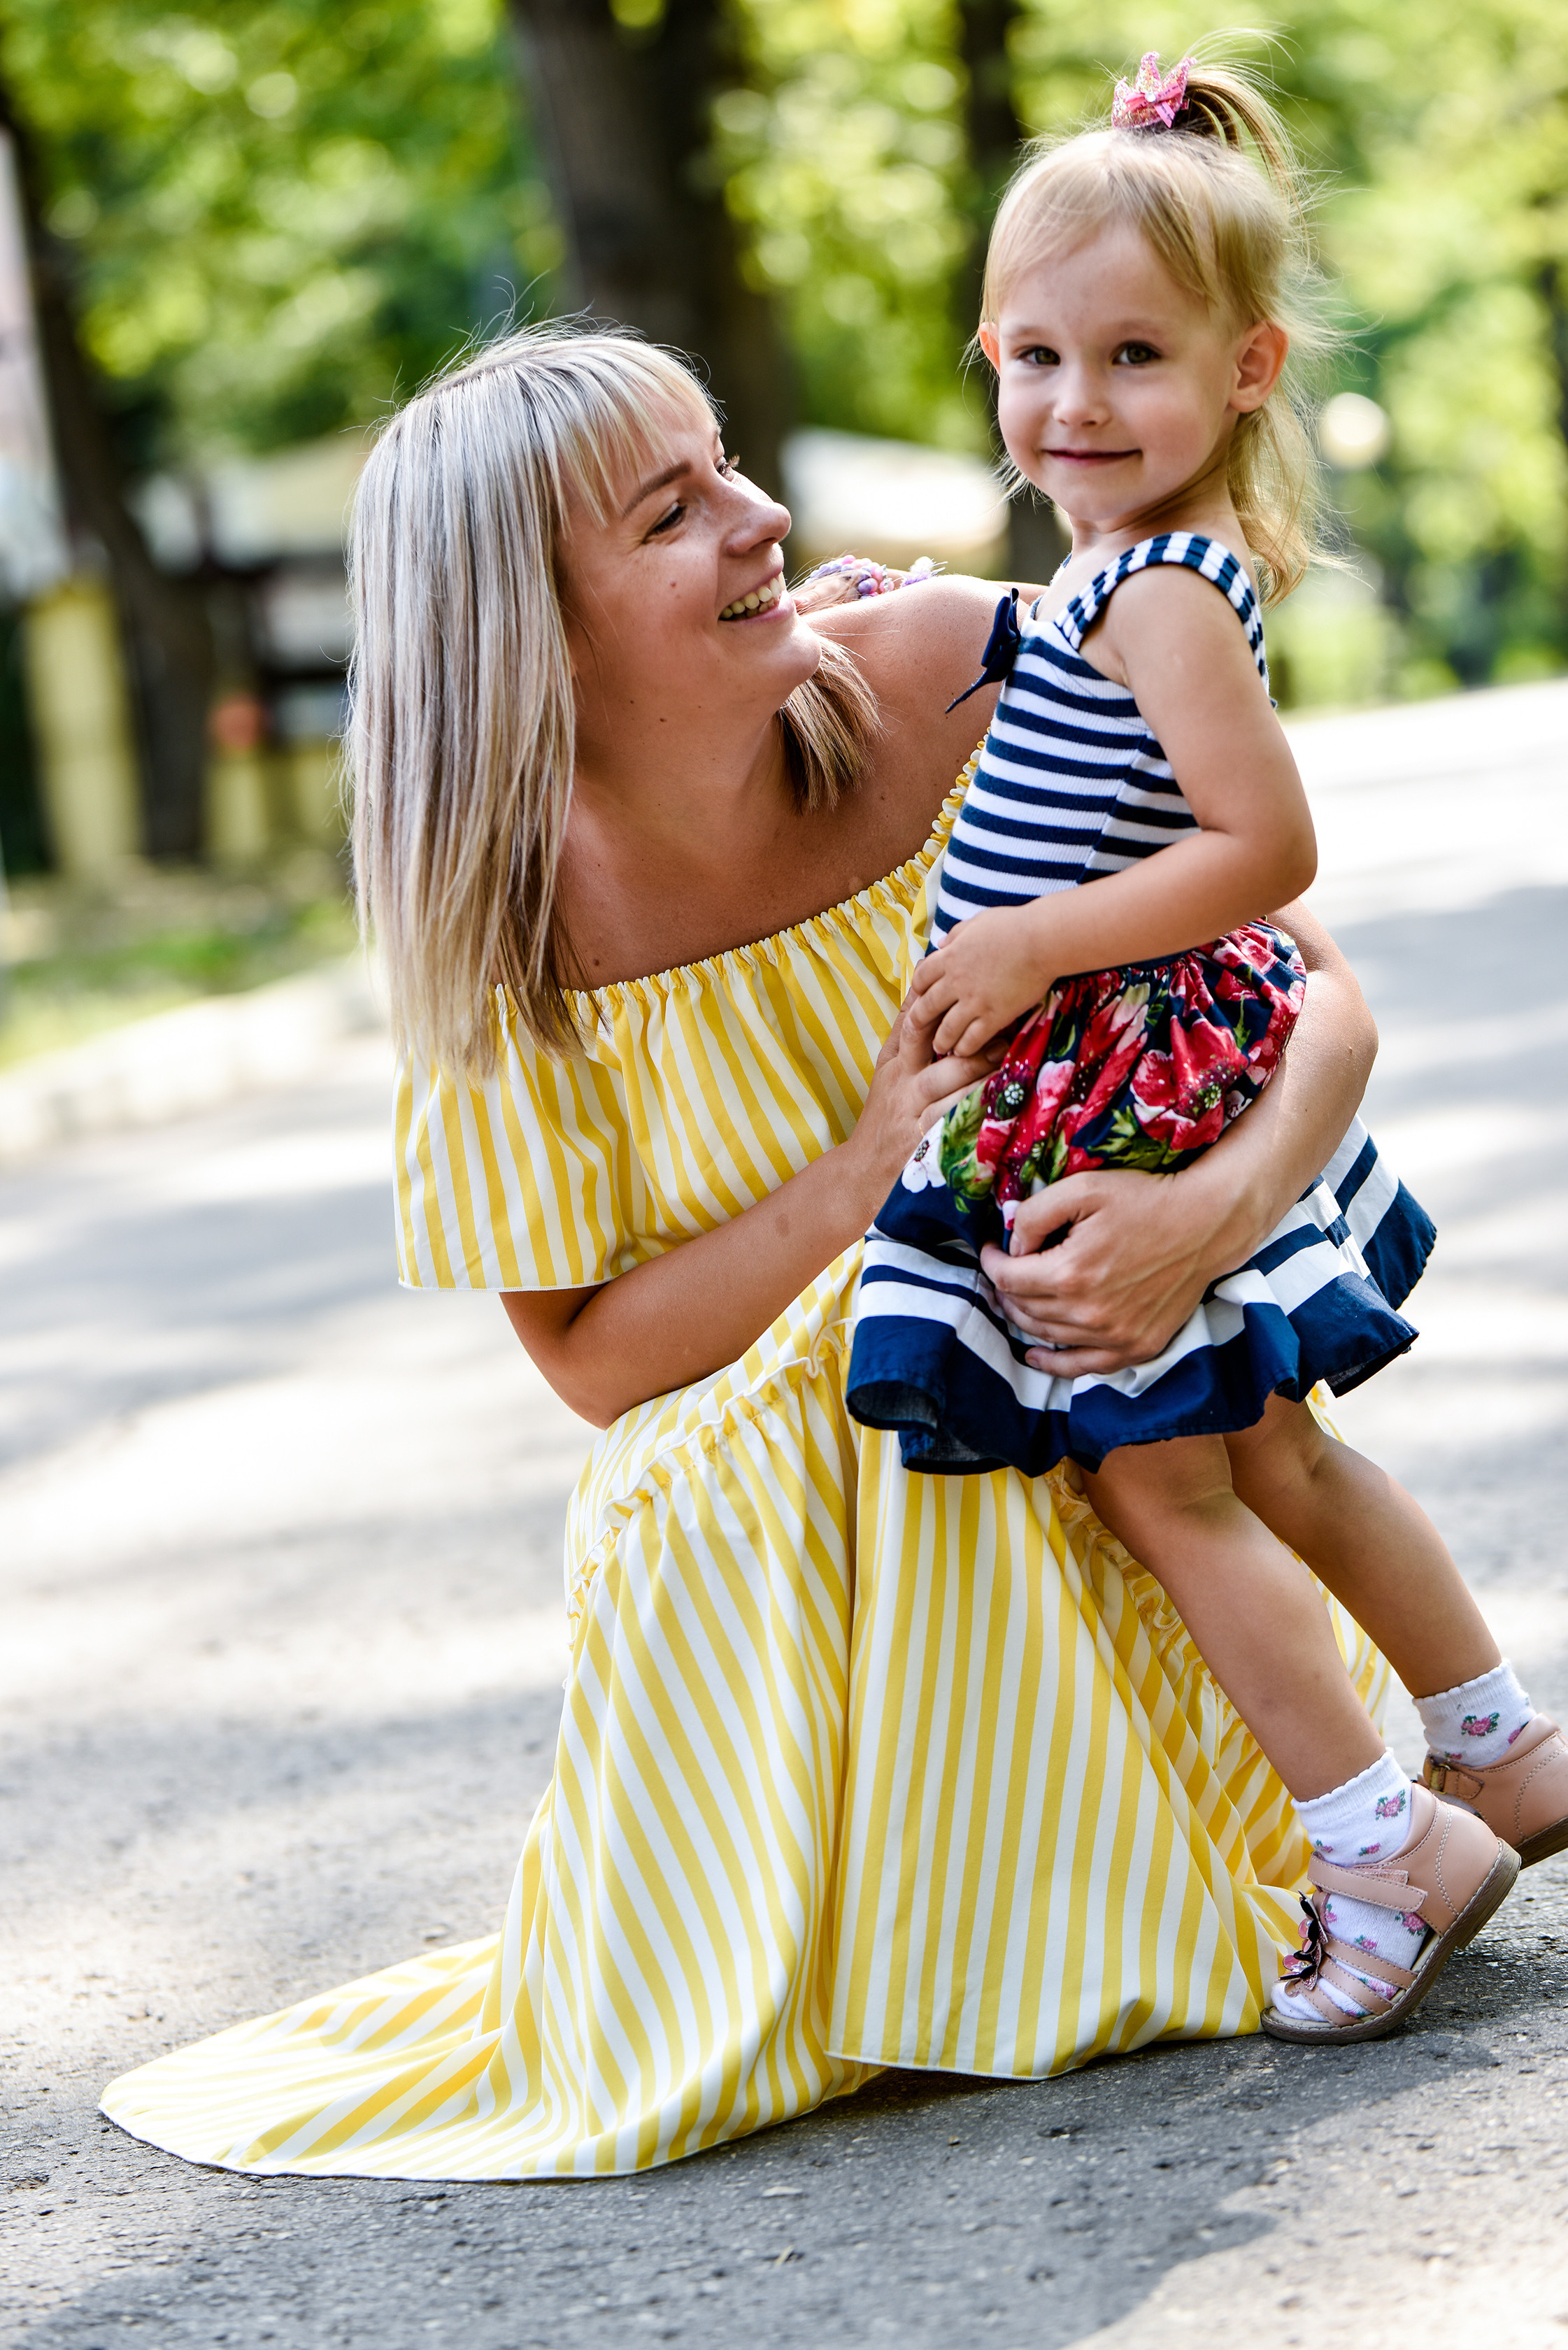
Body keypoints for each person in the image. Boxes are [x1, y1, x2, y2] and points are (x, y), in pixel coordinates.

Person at [97, 320, 1558, 2183]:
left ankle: (1382, 1800)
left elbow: (1311, 986)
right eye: (673, 512)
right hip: (835, 1421)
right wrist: (875, 1164)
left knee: (986, 1332)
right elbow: (596, 1361)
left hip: (1113, 1340)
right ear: (532, 624)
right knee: (863, 1358)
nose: (757, 516)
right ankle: (1002, 1901)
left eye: (727, 465)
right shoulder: (501, 936)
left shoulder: (959, 670)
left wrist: (1207, 1213)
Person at [848, 55, 1567, 2042]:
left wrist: (1019, 946)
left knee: (1162, 1489)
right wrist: (890, 607)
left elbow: (1267, 850)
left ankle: (1380, 1849)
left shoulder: (1167, 586)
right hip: (1130, 1055)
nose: (1075, 404)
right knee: (1267, 1449)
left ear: (1247, 370)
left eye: (1134, 357)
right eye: (1034, 355)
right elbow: (1036, 685)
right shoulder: (1108, 577)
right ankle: (1497, 1746)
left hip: (1119, 1079)